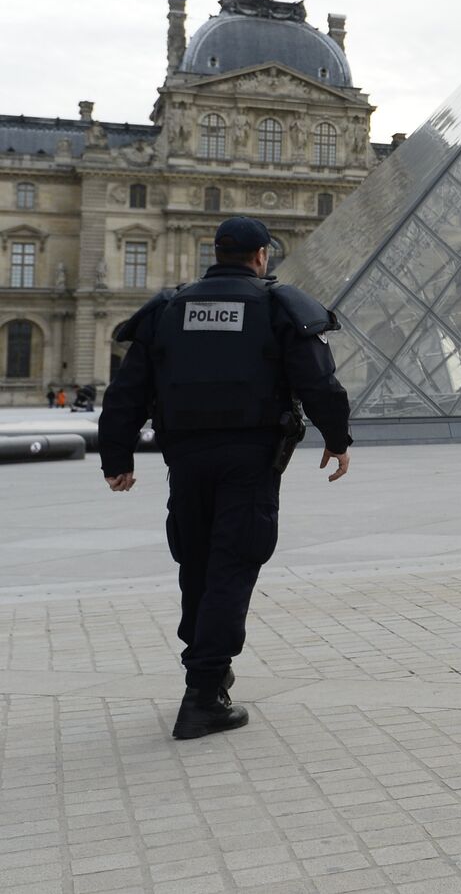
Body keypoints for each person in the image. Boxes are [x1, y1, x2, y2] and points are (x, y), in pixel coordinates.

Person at [97, 216, 353, 740]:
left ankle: (204, 664)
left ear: (216, 252)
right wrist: (337, 438)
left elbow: (127, 390)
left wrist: (116, 457)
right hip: (250, 456)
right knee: (234, 562)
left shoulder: (169, 310)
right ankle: (204, 692)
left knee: (195, 561)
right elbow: (319, 381)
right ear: (262, 255)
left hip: (184, 458)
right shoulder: (279, 307)